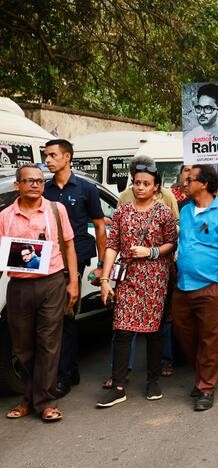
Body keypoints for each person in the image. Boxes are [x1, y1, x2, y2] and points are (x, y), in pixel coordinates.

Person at [96, 165, 177, 407]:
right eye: (137, 182)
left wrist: (150, 252)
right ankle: (118, 386)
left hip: (156, 278)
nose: (140, 187)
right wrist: (104, 280)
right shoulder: (122, 212)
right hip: (128, 278)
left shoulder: (163, 212)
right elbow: (112, 245)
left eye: (146, 183)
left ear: (156, 187)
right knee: (122, 329)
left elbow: (171, 243)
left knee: (153, 332)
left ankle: (153, 381)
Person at [2, 164, 78, 423]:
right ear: (18, 185)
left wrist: (73, 282)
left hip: (51, 283)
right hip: (19, 287)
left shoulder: (56, 210)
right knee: (22, 346)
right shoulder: (5, 216)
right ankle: (28, 398)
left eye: (39, 180)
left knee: (48, 343)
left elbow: (69, 245)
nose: (35, 184)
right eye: (29, 180)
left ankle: (45, 402)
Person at [172, 165, 218, 411]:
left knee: (209, 340)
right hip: (183, 286)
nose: (185, 183)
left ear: (204, 184)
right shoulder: (185, 211)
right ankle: (202, 375)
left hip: (210, 287)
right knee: (185, 336)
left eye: (190, 180)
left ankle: (206, 388)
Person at [43, 139, 106, 398]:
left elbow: (100, 226)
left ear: (67, 157)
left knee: (66, 315)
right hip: (47, 259)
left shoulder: (86, 189)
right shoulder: (43, 190)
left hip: (74, 259)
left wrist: (101, 265)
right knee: (55, 318)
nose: (47, 160)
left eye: (52, 155)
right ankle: (71, 370)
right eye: (46, 156)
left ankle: (65, 375)